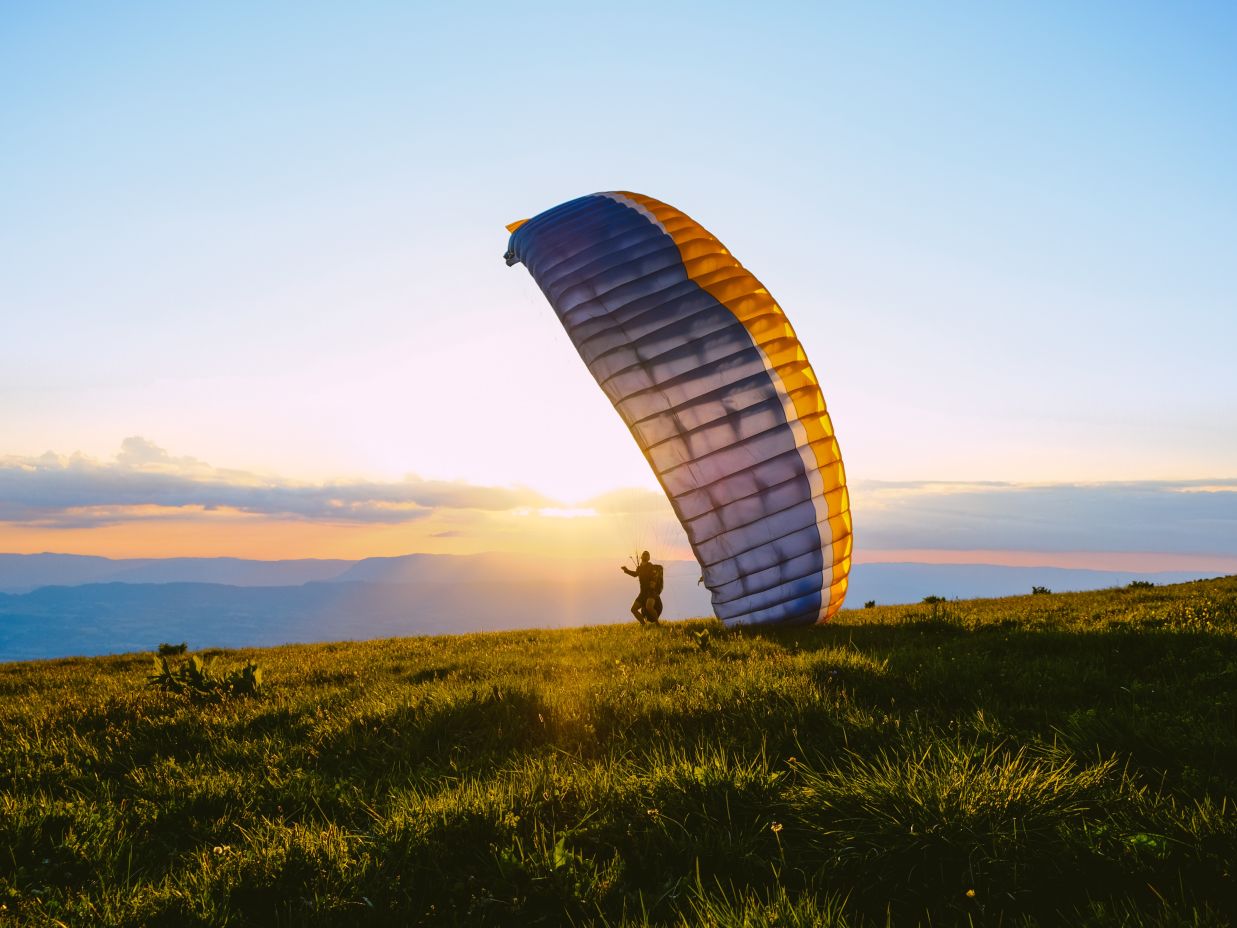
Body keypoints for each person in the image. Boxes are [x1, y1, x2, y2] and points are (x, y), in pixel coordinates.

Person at [621, 550, 664, 624]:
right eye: (644, 554)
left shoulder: (651, 566)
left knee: (649, 607)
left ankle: (657, 624)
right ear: (641, 557)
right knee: (633, 609)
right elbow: (635, 574)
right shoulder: (639, 568)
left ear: (649, 558)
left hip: (651, 592)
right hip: (643, 593)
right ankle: (643, 624)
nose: (645, 555)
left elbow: (655, 575)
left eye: (647, 555)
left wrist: (653, 582)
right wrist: (626, 570)